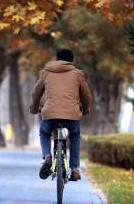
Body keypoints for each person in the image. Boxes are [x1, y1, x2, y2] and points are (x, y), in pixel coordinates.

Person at [29, 49, 92, 181]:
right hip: (71, 114)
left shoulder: (46, 72)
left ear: (57, 59)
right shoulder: (77, 74)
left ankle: (47, 156)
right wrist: (85, 110)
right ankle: (74, 168)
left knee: (45, 132)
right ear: (71, 61)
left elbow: (36, 92)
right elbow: (86, 96)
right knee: (74, 135)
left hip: (50, 113)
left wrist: (34, 108)